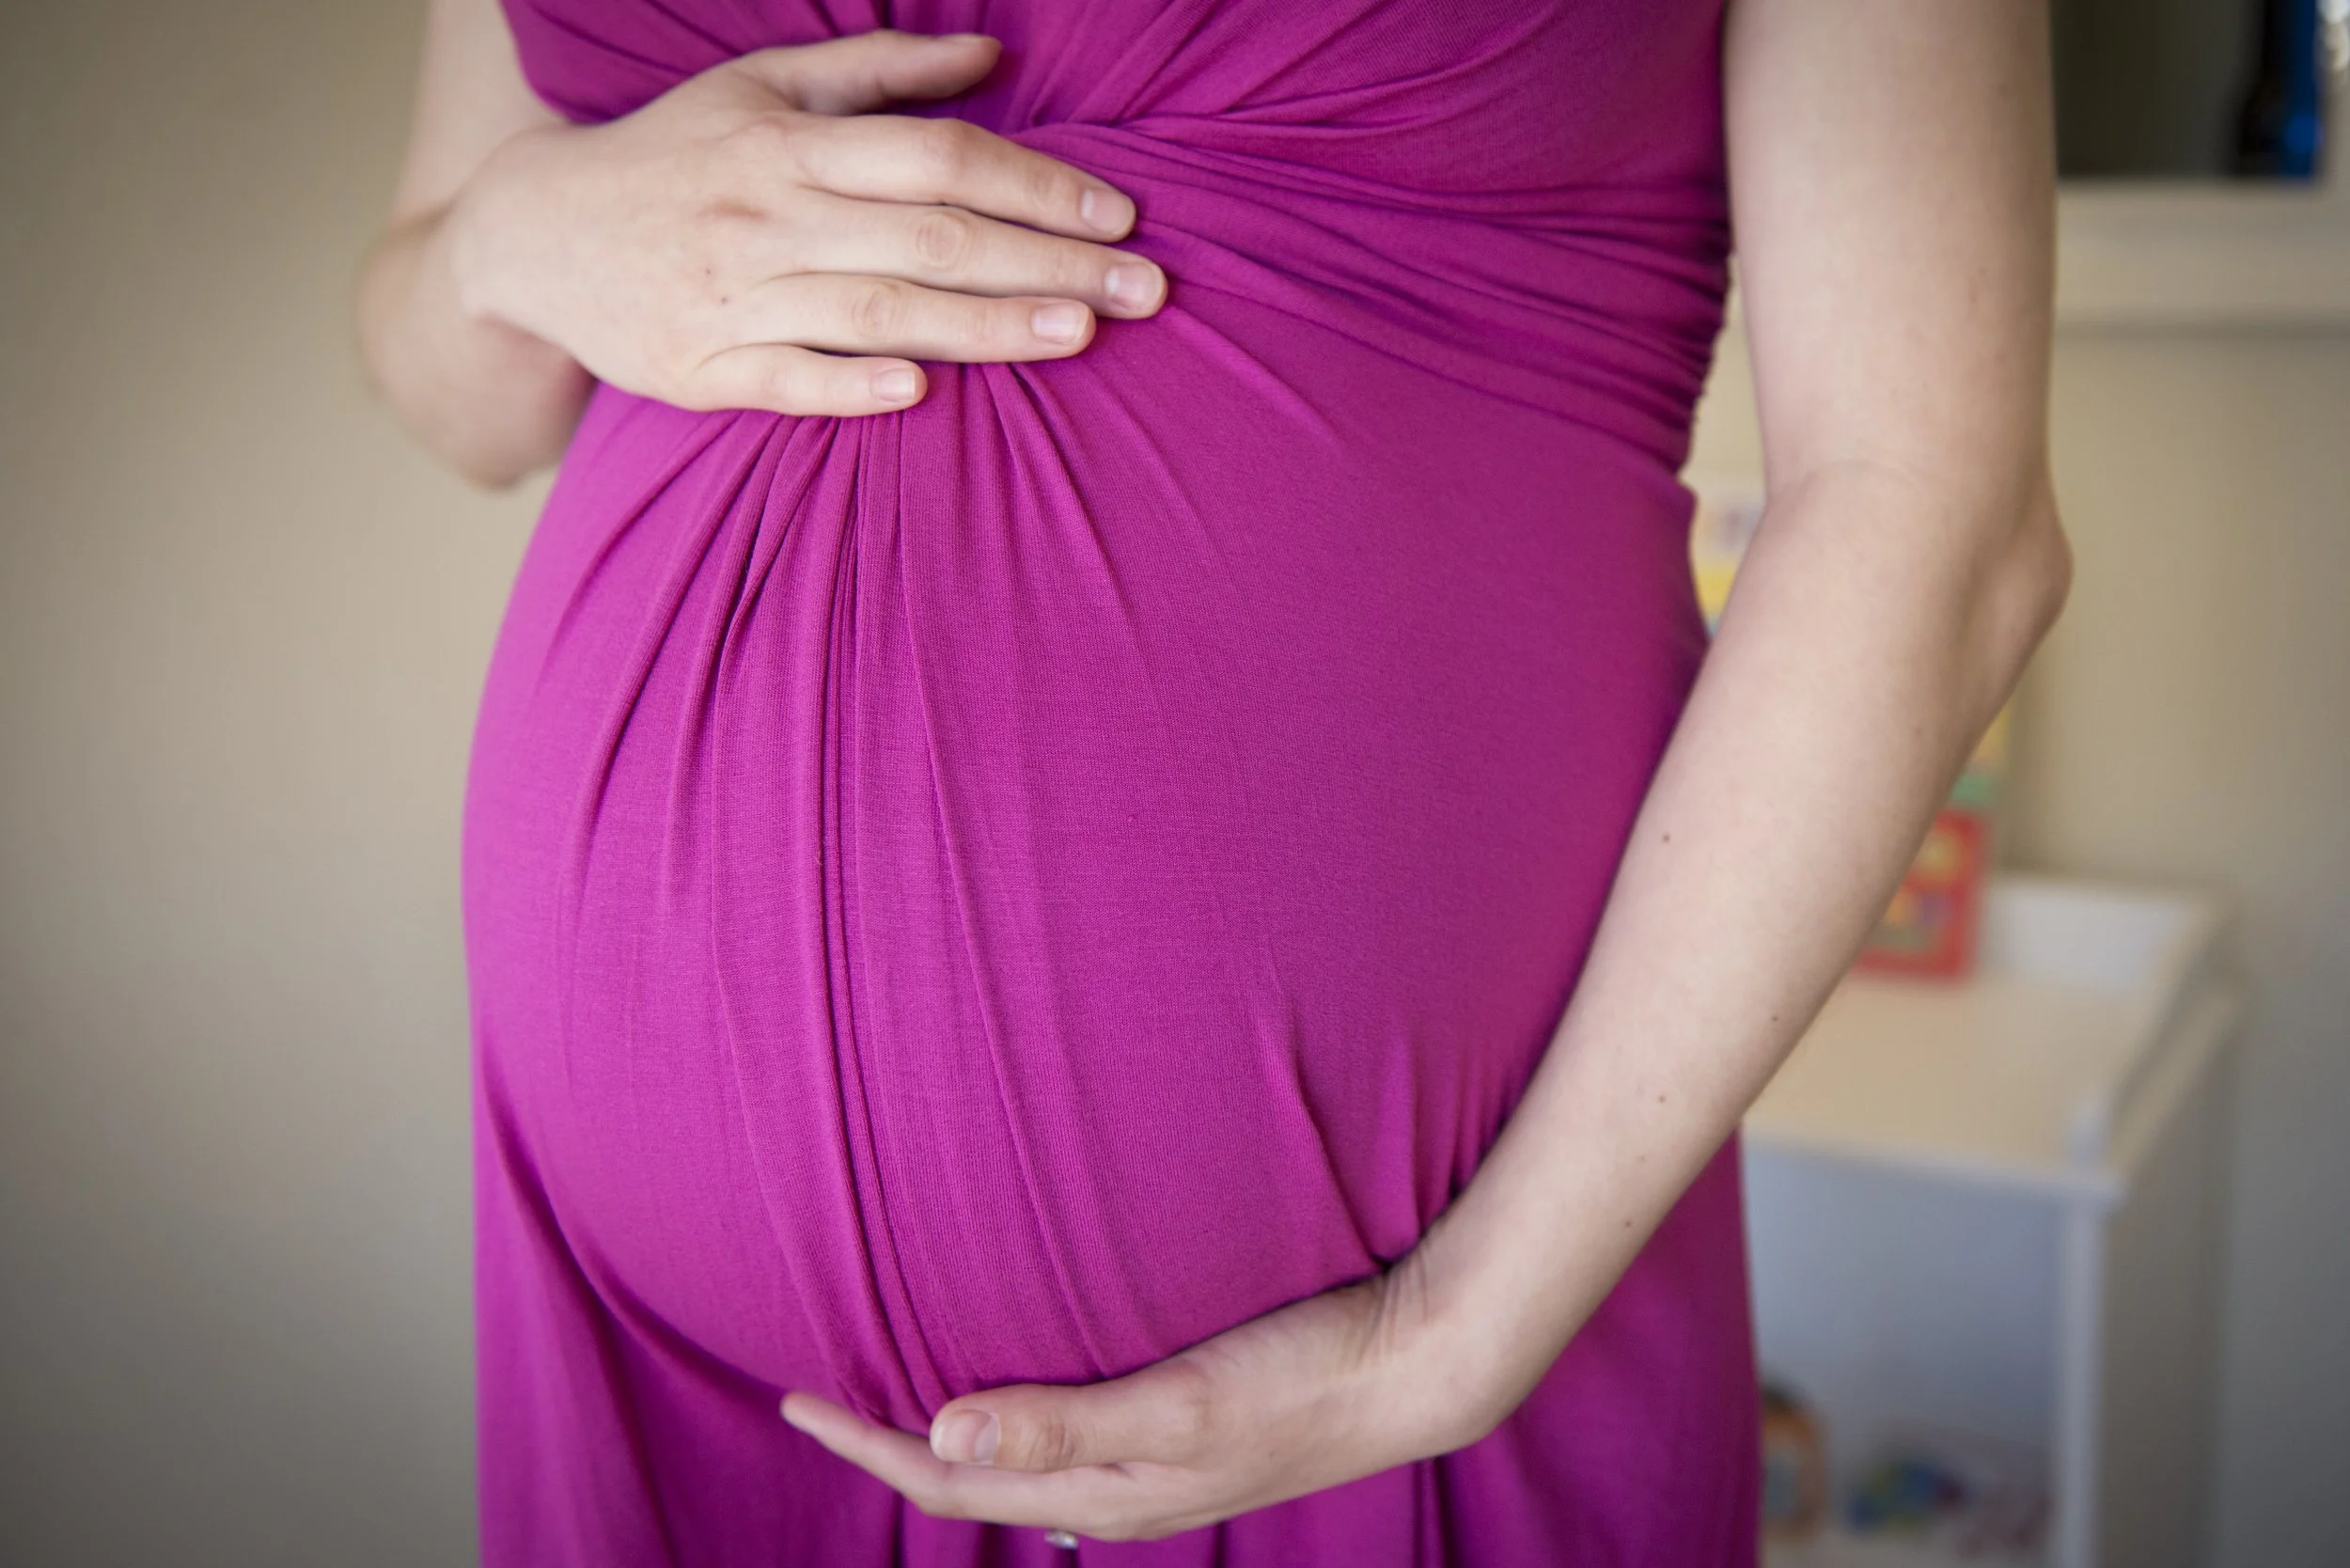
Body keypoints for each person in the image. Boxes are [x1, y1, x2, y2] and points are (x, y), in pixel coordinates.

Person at [355, 0, 2072, 1562]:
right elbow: (467, 396)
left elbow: (1935, 505)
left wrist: (1448, 1343)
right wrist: (511, 235)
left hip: (1401, 1373)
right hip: (677, 1395)